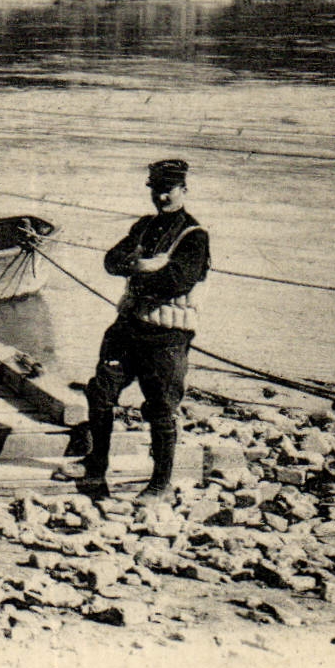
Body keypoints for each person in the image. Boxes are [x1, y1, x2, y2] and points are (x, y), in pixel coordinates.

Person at [79, 160, 210, 502]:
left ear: (184, 189)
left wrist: (137, 270)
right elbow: (111, 260)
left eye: (168, 189)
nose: (161, 196)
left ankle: (159, 485)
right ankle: (95, 465)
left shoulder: (194, 236)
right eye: (155, 189)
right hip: (128, 328)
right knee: (100, 393)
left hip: (166, 338)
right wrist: (143, 267)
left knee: (161, 408)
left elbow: (178, 280)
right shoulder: (145, 225)